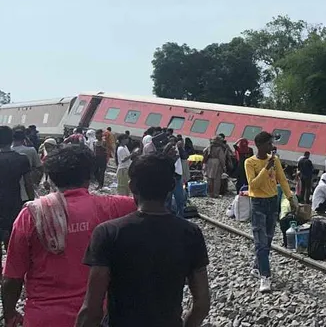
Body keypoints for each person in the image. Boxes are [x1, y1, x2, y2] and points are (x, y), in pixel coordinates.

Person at [2, 145, 137, 327]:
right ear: (89, 176)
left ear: (51, 178)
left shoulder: (31, 215)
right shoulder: (113, 207)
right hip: (95, 316)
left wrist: (10, 313)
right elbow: (150, 204)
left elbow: (12, 277)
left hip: (43, 317)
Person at [75, 152, 211, 327]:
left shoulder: (108, 233)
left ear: (132, 186)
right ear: (171, 186)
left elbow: (92, 310)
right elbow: (202, 303)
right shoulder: (191, 233)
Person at [244, 131, 295, 293]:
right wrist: (266, 168)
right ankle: (265, 277)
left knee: (267, 241)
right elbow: (253, 185)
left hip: (272, 203)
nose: (271, 147)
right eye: (268, 144)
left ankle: (257, 267)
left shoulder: (276, 161)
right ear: (259, 145)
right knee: (260, 242)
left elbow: (282, 179)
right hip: (258, 203)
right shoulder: (249, 162)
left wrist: (291, 197)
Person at [0, 127, 32, 263]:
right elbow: (28, 184)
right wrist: (32, 202)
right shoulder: (22, 159)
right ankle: (10, 272)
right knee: (12, 241)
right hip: (14, 203)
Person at [12, 126, 40, 200]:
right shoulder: (31, 150)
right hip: (26, 189)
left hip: (9, 191)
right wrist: (36, 182)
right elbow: (39, 167)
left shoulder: (7, 152)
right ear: (24, 138)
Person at [166, 137, 187, 218]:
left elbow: (184, 156)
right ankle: (168, 216)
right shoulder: (167, 156)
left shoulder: (178, 151)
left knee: (179, 199)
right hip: (171, 177)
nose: (173, 148)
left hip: (177, 177)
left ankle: (180, 216)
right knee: (168, 200)